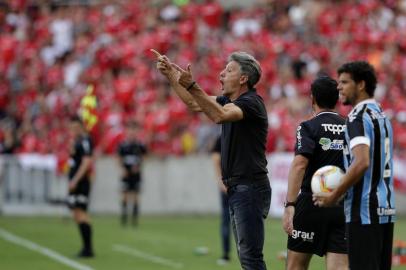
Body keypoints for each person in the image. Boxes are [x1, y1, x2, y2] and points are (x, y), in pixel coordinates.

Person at [153, 49, 272, 270]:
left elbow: (219, 115)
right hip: (241, 187)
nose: (221, 74)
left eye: (229, 70)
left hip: (250, 187)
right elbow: (196, 103)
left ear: (243, 78)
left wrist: (192, 85)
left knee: (250, 257)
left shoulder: (251, 102)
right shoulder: (228, 100)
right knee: (247, 256)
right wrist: (170, 74)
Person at [313, 61, 396, 270]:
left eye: (344, 82)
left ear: (361, 84)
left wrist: (334, 194)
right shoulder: (381, 115)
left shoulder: (357, 118)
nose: (338, 87)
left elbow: (362, 162)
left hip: (364, 211)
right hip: (385, 209)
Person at [282, 76, 348, 270]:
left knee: (296, 266)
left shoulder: (308, 127)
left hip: (311, 204)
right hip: (341, 204)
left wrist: (290, 204)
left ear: (312, 98)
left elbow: (299, 165)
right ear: (337, 99)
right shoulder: (351, 126)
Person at [67, 116, 94, 258]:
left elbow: (86, 161)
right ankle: (86, 248)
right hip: (76, 181)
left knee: (81, 213)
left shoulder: (85, 140)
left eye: (76, 128)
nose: (74, 130)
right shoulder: (77, 141)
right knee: (76, 213)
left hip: (81, 182)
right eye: (72, 128)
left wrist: (75, 180)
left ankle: (88, 249)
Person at [117, 121, 147, 227]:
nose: (132, 132)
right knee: (124, 195)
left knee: (135, 195)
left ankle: (134, 219)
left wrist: (139, 167)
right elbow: (119, 158)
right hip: (126, 173)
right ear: (127, 131)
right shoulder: (123, 145)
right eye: (130, 130)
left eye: (134, 130)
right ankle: (124, 217)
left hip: (136, 174)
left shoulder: (140, 145)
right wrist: (123, 169)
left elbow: (144, 156)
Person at [211, 135, 231, 265]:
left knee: (227, 220)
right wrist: (220, 181)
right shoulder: (222, 138)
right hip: (230, 184)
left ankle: (226, 255)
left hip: (233, 183)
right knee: (228, 219)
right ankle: (226, 253)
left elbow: (215, 159)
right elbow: (216, 159)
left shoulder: (222, 137)